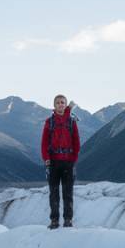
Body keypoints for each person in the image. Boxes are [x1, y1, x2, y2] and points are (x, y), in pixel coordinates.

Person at [41, 94, 80, 229]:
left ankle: (68, 220)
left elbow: (76, 142)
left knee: (67, 194)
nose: (60, 104)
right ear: (54, 105)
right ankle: (54, 220)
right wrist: (46, 159)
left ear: (65, 104)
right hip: (53, 163)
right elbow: (44, 142)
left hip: (68, 162)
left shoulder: (72, 122)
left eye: (63, 102)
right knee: (54, 194)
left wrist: (73, 159)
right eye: (58, 102)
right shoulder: (49, 122)